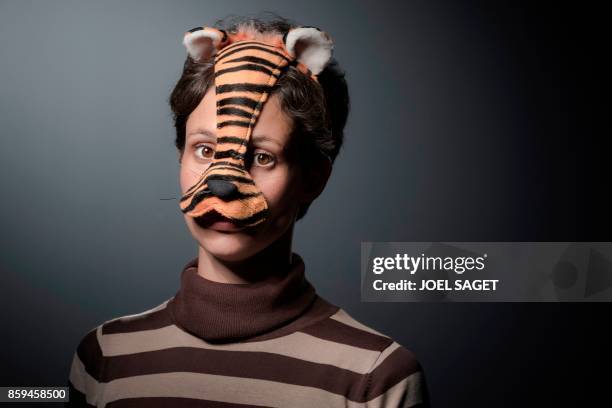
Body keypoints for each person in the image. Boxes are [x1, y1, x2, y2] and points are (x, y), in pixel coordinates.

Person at [65, 14, 430, 407]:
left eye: (261, 156)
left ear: (313, 178)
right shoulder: (105, 358)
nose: (223, 182)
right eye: (205, 150)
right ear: (180, 156)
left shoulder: (376, 379)